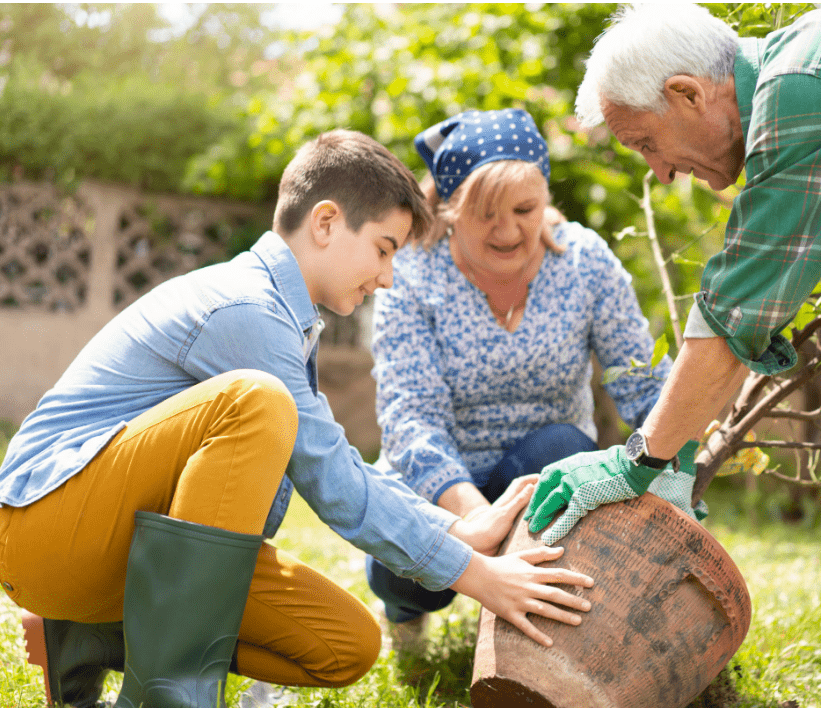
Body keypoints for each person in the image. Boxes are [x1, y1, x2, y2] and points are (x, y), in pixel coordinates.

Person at [0, 129, 596, 708]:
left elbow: (338, 458)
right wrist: (477, 575)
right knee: (256, 401)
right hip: (44, 527)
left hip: (126, 553)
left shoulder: (287, 320)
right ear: (327, 222)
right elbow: (331, 479)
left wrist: (452, 532)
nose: (388, 277)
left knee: (344, 645)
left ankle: (83, 636)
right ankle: (165, 696)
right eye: (384, 249)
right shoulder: (244, 309)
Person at [525, 4, 821, 708]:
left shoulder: (803, 94)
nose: (660, 174)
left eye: (646, 143)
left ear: (688, 93)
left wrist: (640, 461)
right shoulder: (800, 77)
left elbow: (736, 318)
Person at [365, 107, 702, 645]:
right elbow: (412, 418)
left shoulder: (584, 262)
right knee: (405, 577)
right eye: (485, 214)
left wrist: (679, 473)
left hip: (544, 471)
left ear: (545, 196)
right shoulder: (410, 275)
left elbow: (641, 382)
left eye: (524, 208)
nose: (508, 230)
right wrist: (476, 522)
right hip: (446, 486)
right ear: (450, 211)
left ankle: (546, 627)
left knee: (565, 447)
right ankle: (404, 611)